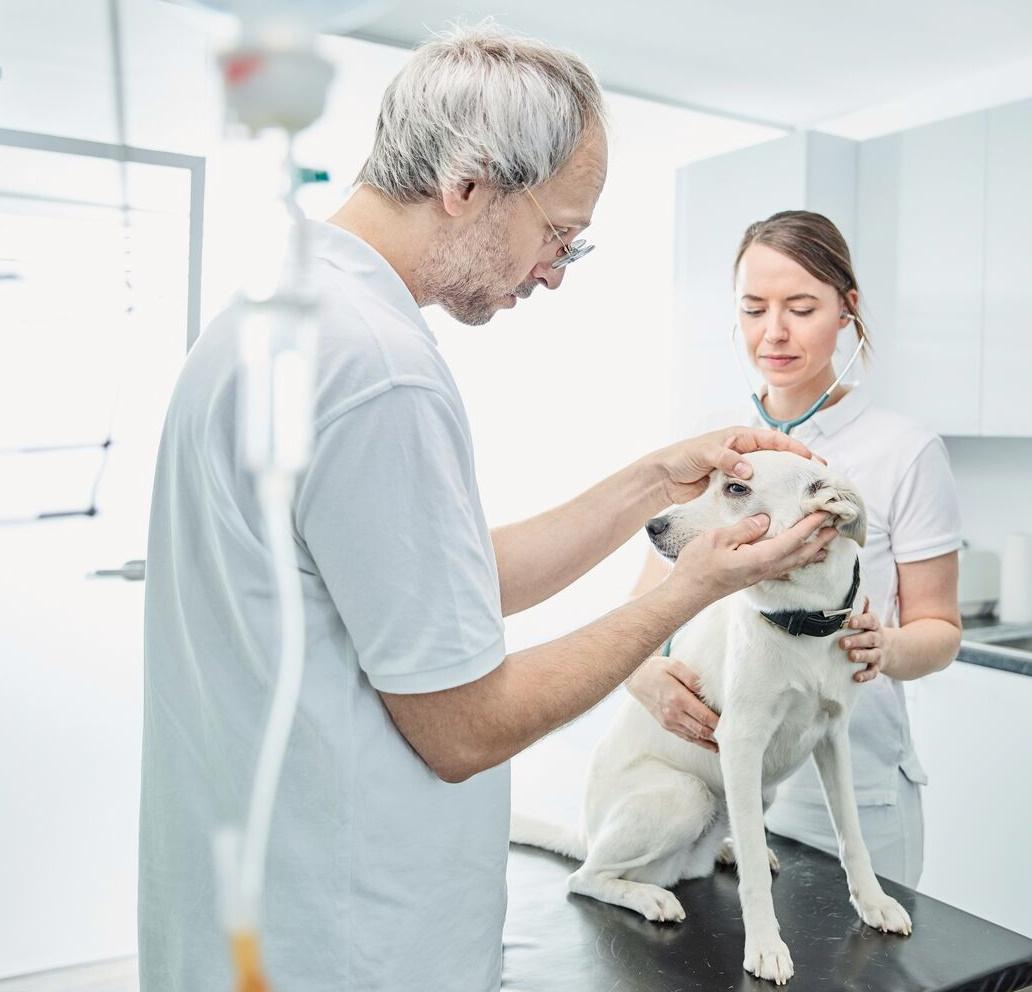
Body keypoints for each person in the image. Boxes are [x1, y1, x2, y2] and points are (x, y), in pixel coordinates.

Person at [139, 28, 838, 992]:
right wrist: (692, 589)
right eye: (557, 233)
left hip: (253, 916)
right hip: (350, 941)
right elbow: (465, 727)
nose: (552, 271)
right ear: (468, 184)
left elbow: (437, 583)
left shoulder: (281, 313)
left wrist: (650, 480)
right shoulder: (380, 372)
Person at [627, 210, 963, 887]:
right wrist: (644, 680)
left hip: (855, 794)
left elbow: (942, 630)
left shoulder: (904, 451)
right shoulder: (714, 447)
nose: (773, 332)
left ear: (848, 310)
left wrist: (888, 647)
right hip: (727, 796)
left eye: (801, 308)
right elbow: (645, 612)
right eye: (753, 309)